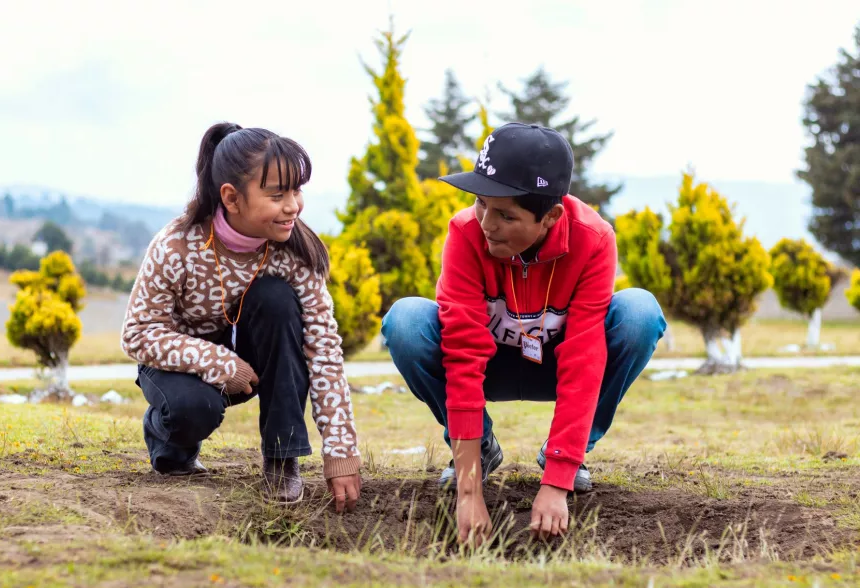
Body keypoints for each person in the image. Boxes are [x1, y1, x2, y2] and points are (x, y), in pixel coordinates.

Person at [381, 122, 666, 545]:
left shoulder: (593, 239)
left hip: (554, 367)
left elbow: (585, 359)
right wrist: (469, 490)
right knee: (406, 320)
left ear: (551, 216)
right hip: (489, 367)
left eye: (506, 215)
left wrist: (557, 481)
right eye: (480, 203)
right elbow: (462, 352)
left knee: (639, 312)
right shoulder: (465, 232)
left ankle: (566, 454)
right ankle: (482, 447)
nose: (486, 223)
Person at [121, 122, 361, 512]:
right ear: (232, 198)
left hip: (249, 363)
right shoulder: (177, 245)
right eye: (277, 195)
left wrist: (341, 452)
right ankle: (168, 438)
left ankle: (282, 458)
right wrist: (218, 362)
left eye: (297, 191)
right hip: (175, 365)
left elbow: (323, 350)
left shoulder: (295, 253)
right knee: (193, 409)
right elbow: (137, 333)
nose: (293, 206)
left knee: (277, 299)